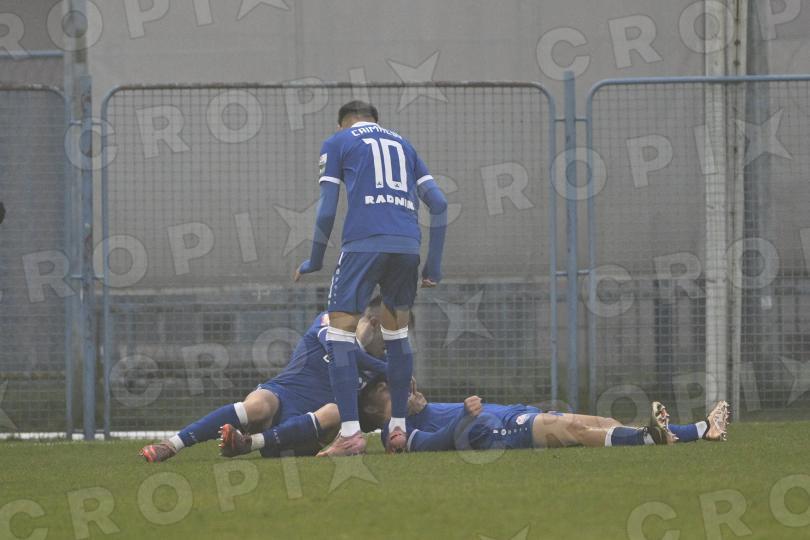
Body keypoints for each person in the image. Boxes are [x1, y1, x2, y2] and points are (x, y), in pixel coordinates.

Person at [294, 100, 448, 456]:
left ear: (342, 124)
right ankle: (399, 430)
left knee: (339, 335)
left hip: (363, 247)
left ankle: (350, 434)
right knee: (397, 335)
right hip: (407, 247)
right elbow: (439, 203)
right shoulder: (404, 144)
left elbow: (326, 210)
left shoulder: (338, 141)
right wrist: (434, 266)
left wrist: (314, 260)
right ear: (376, 121)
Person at [139, 298, 388, 462]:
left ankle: (248, 444)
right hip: (280, 398)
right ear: (374, 324)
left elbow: (378, 415)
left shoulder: (379, 368)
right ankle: (171, 445)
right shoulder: (332, 321)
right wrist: (387, 367)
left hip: (303, 438)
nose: (393, 342)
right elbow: (340, 350)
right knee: (259, 405)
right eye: (390, 333)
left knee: (336, 411)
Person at [357, 377, 730, 452]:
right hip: (498, 434)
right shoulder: (394, 433)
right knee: (576, 429)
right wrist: (465, 418)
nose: (406, 385)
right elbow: (432, 445)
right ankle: (650, 437)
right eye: (390, 388)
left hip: (513, 415)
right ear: (376, 408)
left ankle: (703, 428)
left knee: (605, 424)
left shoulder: (411, 411)